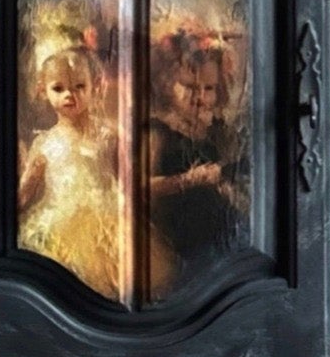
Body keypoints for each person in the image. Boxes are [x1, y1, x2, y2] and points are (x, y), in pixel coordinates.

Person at [145, 34, 246, 298]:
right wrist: (190, 180)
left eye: (209, 88)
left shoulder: (217, 129)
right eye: (189, 87)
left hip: (216, 233)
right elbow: (138, 188)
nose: (200, 97)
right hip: (176, 237)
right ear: (168, 85)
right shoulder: (158, 130)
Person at [17, 45, 121, 301]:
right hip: (59, 226)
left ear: (94, 87)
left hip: (104, 228)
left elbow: (123, 182)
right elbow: (25, 193)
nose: (69, 95)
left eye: (78, 87)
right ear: (43, 90)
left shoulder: (108, 136)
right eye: (59, 88)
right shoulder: (44, 143)